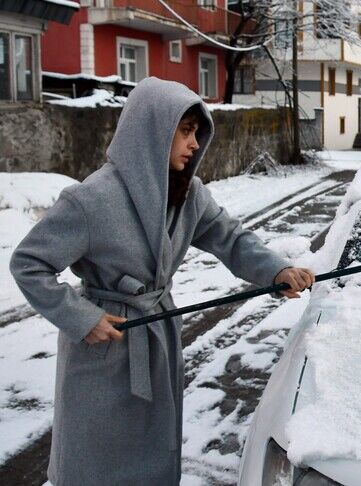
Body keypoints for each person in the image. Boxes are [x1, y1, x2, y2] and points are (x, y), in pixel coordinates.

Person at [9, 77, 314, 485]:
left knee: (152, 452)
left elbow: (231, 239)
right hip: (105, 341)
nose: (194, 144)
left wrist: (276, 271)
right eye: (185, 131)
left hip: (157, 334)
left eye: (196, 133)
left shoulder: (188, 195)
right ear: (152, 131)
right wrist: (82, 318)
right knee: (96, 460)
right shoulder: (90, 199)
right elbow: (29, 263)